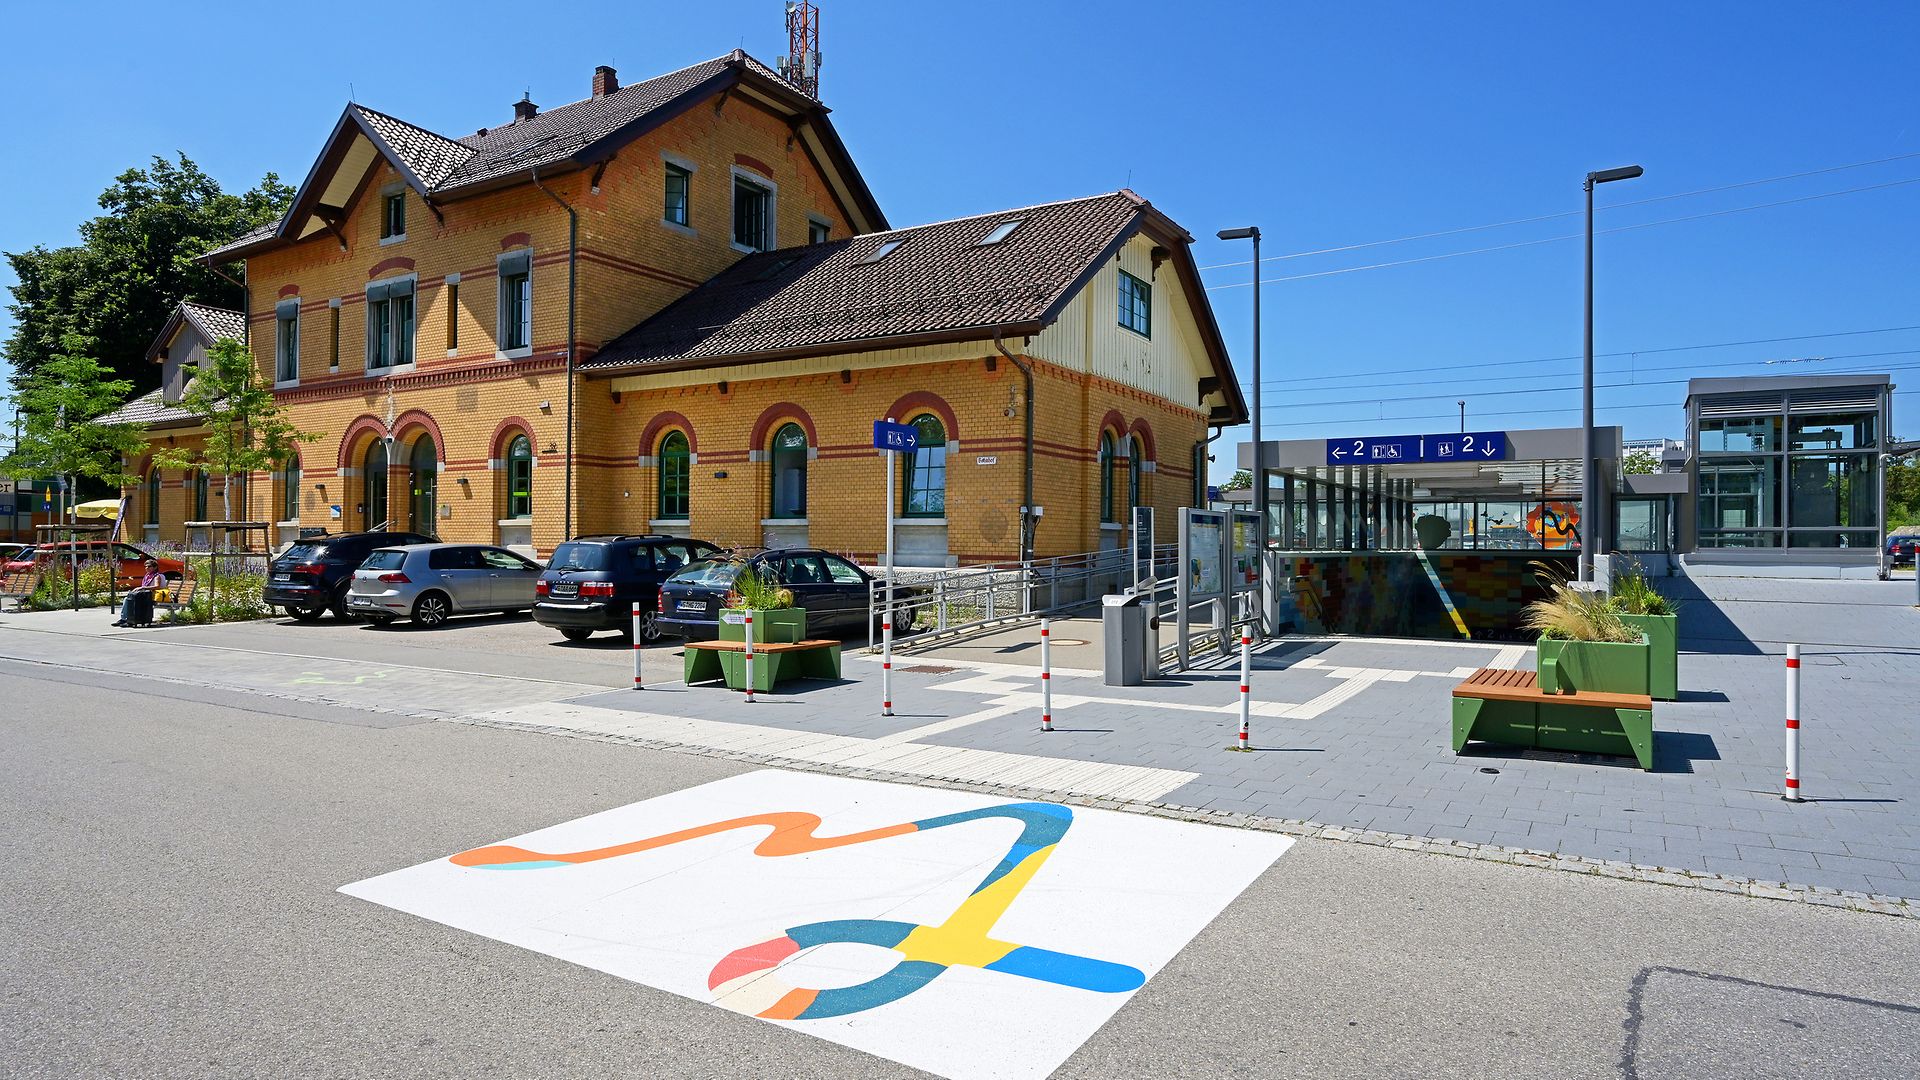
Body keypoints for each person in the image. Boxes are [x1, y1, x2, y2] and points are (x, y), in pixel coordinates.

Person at [112, 559, 166, 627]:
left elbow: (157, 586)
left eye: (149, 566)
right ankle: (126, 619)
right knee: (127, 599)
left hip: (153, 596)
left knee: (129, 600)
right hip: (147, 595)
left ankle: (127, 619)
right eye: (145, 566)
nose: (147, 568)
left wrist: (142, 588)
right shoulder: (148, 575)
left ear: (155, 567)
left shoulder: (157, 576)